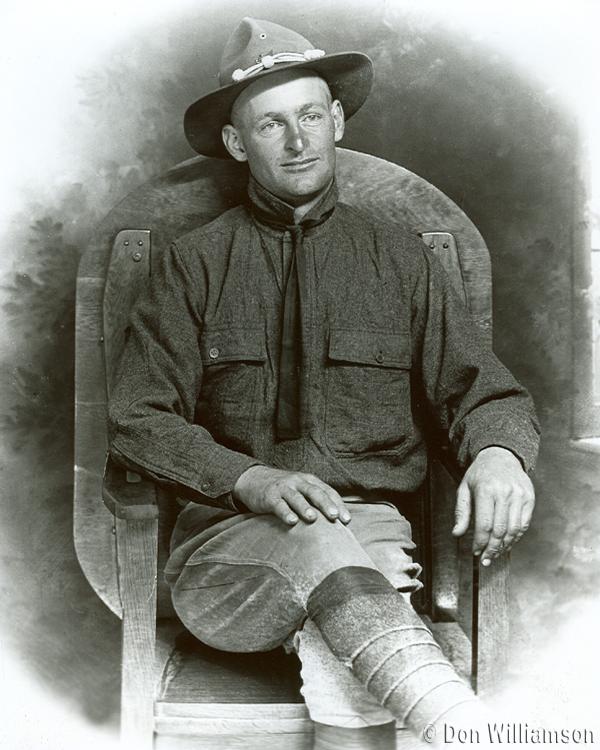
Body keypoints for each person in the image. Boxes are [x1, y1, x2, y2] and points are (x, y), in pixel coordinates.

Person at [108, 17, 540, 750]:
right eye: (271, 125)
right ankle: (471, 731)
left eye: (311, 114)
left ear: (336, 119)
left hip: (370, 543)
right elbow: (137, 417)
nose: (298, 140)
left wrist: (500, 451)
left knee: (345, 619)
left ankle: (460, 731)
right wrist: (246, 479)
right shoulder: (191, 265)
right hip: (226, 563)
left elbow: (483, 393)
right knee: (326, 545)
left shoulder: (402, 260)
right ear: (238, 144)